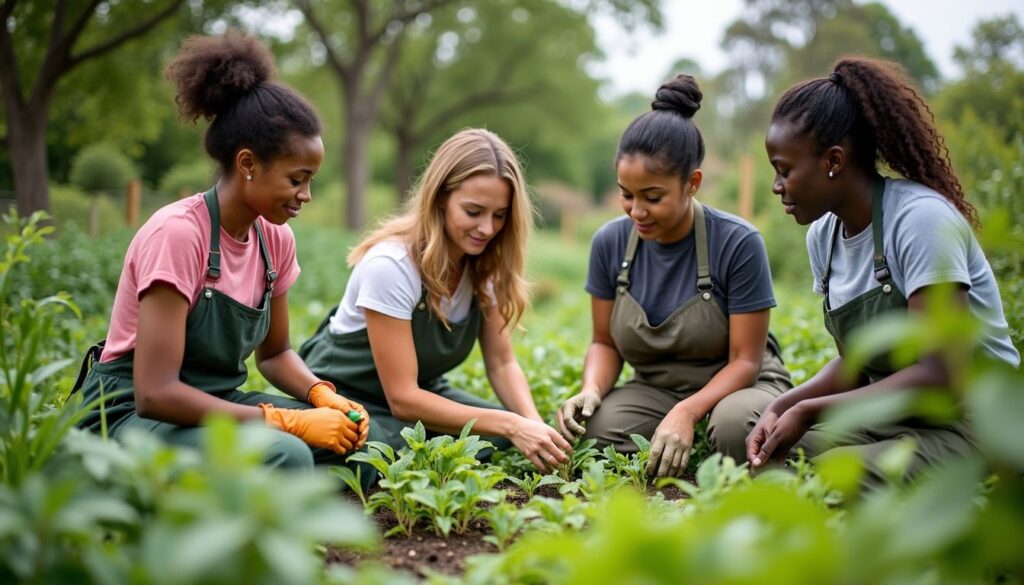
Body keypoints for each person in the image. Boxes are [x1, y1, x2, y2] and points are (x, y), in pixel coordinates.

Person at [73, 32, 371, 474]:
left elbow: (274, 354)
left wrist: (320, 396)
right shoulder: (178, 234)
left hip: (215, 405)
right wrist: (284, 422)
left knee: (363, 448)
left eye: (311, 181)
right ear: (248, 164)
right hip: (133, 416)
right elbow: (155, 392)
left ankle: (272, 497)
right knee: (286, 453)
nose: (305, 195)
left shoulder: (275, 241)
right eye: (297, 179)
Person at [749, 56, 1020, 486]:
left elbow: (941, 374)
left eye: (784, 171)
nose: (776, 186)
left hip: (976, 421)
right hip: (899, 413)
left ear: (833, 160)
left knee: (835, 477)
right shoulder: (823, 237)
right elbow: (854, 365)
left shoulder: (920, 220)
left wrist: (809, 411)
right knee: (779, 460)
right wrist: (783, 405)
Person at [555, 75, 793, 478]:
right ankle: (681, 439)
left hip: (738, 386)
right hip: (655, 388)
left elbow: (745, 360)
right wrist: (591, 389)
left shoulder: (737, 242)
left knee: (737, 429)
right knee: (591, 434)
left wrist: (687, 411)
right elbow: (603, 342)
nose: (636, 211)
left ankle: (705, 435)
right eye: (626, 194)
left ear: (692, 183)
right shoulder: (609, 243)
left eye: (653, 197)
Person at [299, 128, 572, 473]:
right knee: (382, 452)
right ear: (441, 198)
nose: (487, 229)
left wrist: (534, 427)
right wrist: (512, 424)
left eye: (499, 215)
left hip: (420, 393)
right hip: (347, 396)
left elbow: (502, 363)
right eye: (474, 211)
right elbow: (403, 398)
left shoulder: (483, 267)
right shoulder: (393, 266)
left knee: (493, 437)